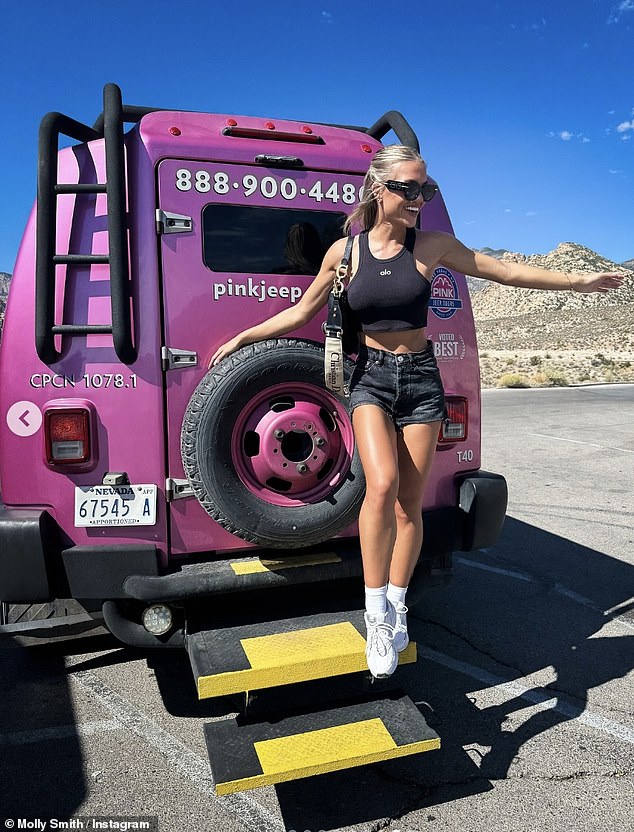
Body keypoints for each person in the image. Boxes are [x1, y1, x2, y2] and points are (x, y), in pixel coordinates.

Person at [210, 145, 624, 679]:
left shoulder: (432, 246)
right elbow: (302, 310)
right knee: (379, 486)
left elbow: (506, 273)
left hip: (423, 382)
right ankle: (375, 611)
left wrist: (580, 281)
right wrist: (245, 336)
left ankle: (399, 604)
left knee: (410, 505)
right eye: (408, 188)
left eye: (425, 190)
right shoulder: (345, 253)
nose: (418, 199)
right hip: (370, 380)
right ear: (378, 190)